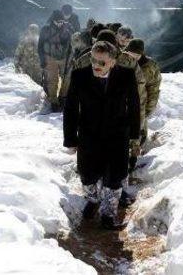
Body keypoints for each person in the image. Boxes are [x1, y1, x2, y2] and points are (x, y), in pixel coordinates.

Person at [63, 41, 140, 230]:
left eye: (102, 62)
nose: (96, 65)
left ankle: (108, 215)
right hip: (89, 136)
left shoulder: (126, 76)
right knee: (87, 175)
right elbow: (71, 109)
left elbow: (135, 107)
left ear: (113, 62)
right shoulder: (79, 76)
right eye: (93, 60)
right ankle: (93, 199)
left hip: (117, 136)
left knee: (114, 178)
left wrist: (134, 135)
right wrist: (71, 139)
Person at [124, 39, 162, 172]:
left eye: (136, 55)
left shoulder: (150, 66)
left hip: (140, 106)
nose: (132, 57)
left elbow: (153, 88)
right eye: (130, 53)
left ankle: (132, 163)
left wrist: (148, 109)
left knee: (138, 136)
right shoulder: (121, 61)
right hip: (121, 106)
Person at [38, 10, 72, 111]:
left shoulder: (67, 28)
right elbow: (40, 45)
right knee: (52, 80)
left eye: (61, 21)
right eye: (58, 22)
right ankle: (53, 101)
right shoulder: (46, 29)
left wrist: (70, 59)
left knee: (67, 78)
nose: (60, 24)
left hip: (64, 57)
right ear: (53, 20)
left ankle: (63, 97)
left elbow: (70, 45)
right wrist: (42, 60)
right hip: (50, 57)